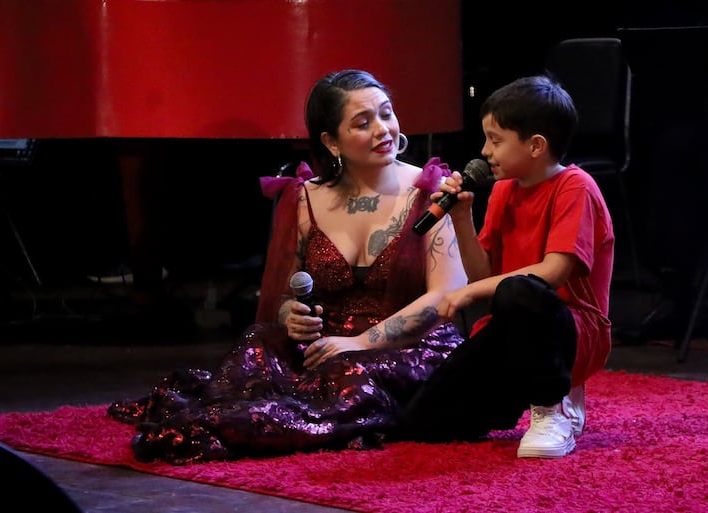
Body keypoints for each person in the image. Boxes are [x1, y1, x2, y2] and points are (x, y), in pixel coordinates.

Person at [106, 69, 468, 465]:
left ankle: (248, 426)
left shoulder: (433, 189)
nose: (382, 129)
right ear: (331, 142)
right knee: (257, 343)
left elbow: (446, 295)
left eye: (386, 114)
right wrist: (290, 316)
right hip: (322, 346)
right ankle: (238, 420)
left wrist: (358, 343)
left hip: (405, 347)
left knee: (353, 380)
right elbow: (281, 296)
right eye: (363, 123)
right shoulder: (304, 198)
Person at [396, 75, 614, 458]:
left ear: (535, 146)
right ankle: (533, 390)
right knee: (423, 425)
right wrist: (462, 218)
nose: (484, 151)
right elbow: (484, 277)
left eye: (495, 140)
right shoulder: (502, 190)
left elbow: (552, 273)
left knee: (522, 291)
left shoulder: (576, 188)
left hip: (570, 329)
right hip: (513, 326)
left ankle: (554, 405)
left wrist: (468, 292)